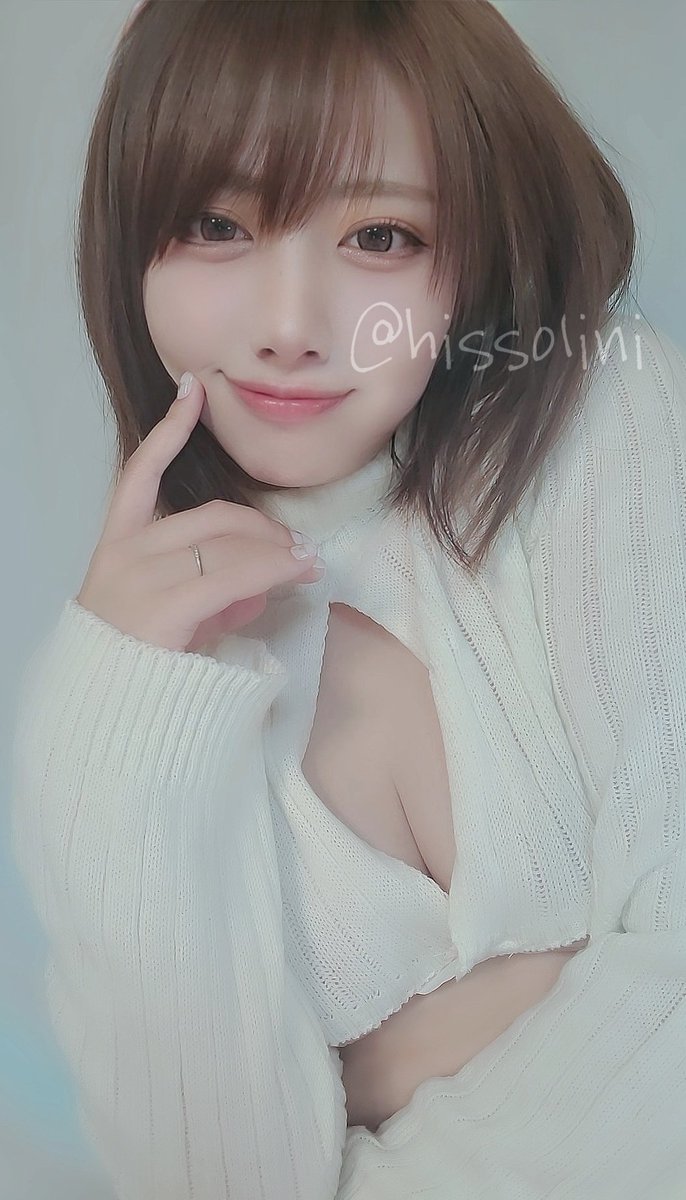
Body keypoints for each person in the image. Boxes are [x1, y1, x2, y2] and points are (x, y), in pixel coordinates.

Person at [10, 1, 686, 1197]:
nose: (289, 329)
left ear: (470, 255)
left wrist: (369, 1093)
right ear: (132, 243)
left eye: (380, 237)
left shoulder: (602, 430)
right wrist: (110, 733)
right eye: (217, 225)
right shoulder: (132, 699)